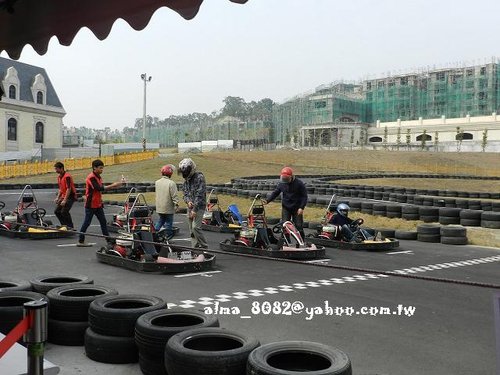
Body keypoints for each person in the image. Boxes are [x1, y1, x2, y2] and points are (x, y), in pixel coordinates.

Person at [77, 159, 122, 247]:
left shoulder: (98, 177)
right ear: (94, 168)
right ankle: (80, 241)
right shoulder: (91, 177)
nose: (102, 170)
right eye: (100, 168)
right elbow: (98, 188)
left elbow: (101, 189)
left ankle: (108, 240)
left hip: (97, 204)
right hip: (90, 205)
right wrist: (114, 184)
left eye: (102, 168)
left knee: (103, 222)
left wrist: (118, 185)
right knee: (87, 222)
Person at [263, 167, 307, 238]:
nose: (285, 180)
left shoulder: (299, 184)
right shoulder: (282, 183)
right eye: (284, 178)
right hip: (286, 207)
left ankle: (302, 242)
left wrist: (301, 207)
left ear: (291, 176)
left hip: (297, 208)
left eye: (286, 179)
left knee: (299, 226)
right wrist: (267, 200)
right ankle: (285, 242)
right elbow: (276, 192)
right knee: (285, 226)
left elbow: (304, 196)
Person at [178, 158, 208, 249]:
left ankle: (204, 246)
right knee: (191, 230)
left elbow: (200, 194)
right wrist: (188, 201)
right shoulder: (186, 181)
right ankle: (194, 247)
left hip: (199, 206)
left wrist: (194, 209)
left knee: (196, 227)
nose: (185, 174)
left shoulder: (199, 177)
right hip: (190, 207)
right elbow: (185, 193)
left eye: (186, 171)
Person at [155, 164, 179, 239]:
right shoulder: (171, 183)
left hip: (159, 207)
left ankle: (154, 233)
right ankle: (167, 237)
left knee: (161, 220)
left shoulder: (157, 182)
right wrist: (177, 204)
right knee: (168, 222)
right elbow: (174, 195)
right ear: (170, 173)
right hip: (168, 207)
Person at [53, 162, 77, 229]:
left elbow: (69, 189)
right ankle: (64, 225)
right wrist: (57, 197)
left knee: (64, 211)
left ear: (61, 168)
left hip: (70, 196)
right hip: (64, 196)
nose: (56, 171)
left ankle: (70, 227)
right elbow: (61, 188)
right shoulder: (59, 177)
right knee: (57, 211)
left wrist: (65, 200)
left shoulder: (67, 177)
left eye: (57, 169)